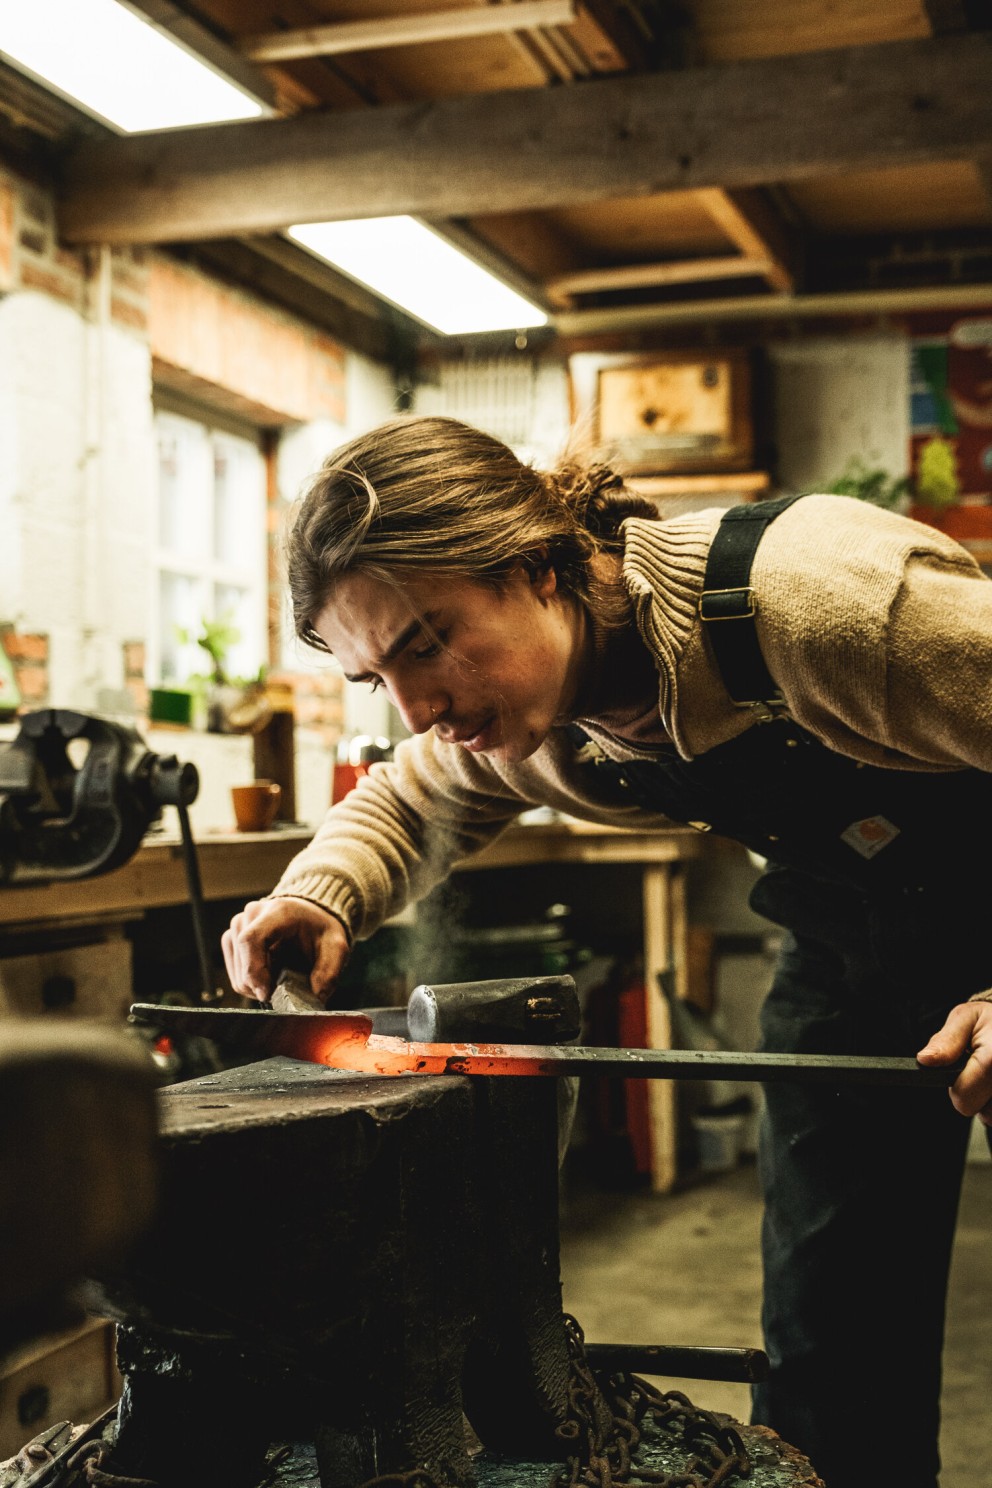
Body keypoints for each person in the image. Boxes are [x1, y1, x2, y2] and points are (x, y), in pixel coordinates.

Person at [222, 414, 992, 1488]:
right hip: (851, 946)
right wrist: (318, 894)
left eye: (427, 642)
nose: (418, 708)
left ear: (539, 569)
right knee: (832, 1326)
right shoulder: (535, 723)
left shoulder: (821, 603)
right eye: (374, 679)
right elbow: (407, 797)